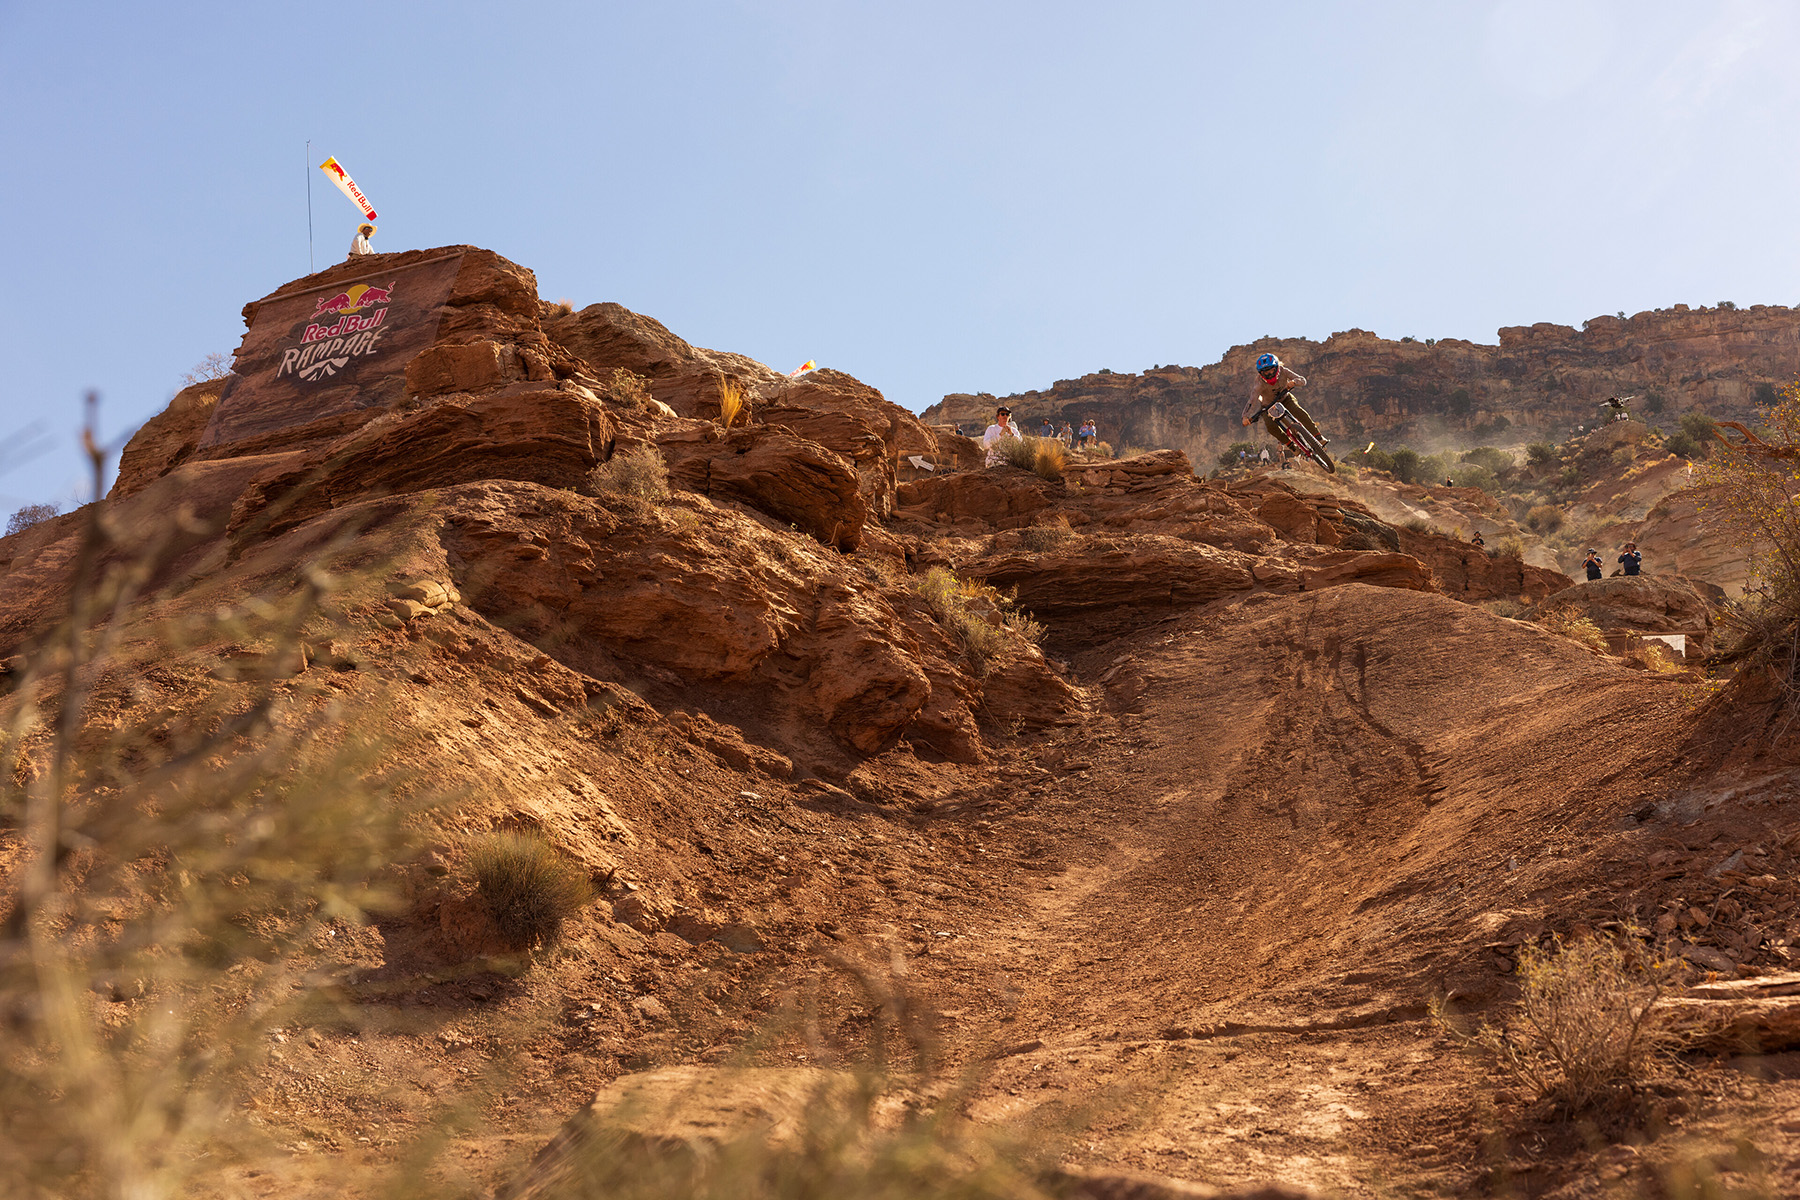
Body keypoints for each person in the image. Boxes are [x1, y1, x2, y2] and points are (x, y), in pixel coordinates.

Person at [1241, 353, 1326, 446]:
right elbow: (1252, 401)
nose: (1269, 374)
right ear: (1260, 373)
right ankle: (1291, 446)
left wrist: (1294, 382)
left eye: (1271, 370)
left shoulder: (1284, 371)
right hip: (1268, 406)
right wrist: (1245, 416)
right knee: (1271, 427)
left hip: (1285, 398)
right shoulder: (1259, 384)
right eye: (1265, 372)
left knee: (1298, 411)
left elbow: (1302, 380)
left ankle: (1318, 436)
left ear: (1277, 367)